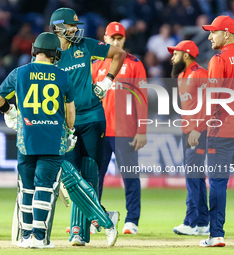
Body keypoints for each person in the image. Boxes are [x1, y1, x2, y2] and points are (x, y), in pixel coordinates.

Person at [49, 8, 126, 246]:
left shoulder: (85, 44)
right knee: (72, 178)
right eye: (70, 26)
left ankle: (77, 233)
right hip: (66, 124)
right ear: (57, 28)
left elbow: (119, 54)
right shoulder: (48, 55)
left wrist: (106, 81)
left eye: (75, 25)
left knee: (89, 175)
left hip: (93, 117)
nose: (74, 30)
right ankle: (104, 215)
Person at [0, 32, 76, 249]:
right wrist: (70, 129)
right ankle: (39, 238)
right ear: (54, 54)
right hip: (52, 141)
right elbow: (70, 113)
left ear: (35, 51)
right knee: (45, 189)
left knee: (27, 188)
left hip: (26, 139)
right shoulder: (63, 76)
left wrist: (10, 111)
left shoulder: (19, 73)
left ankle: (26, 236)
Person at [188, 15, 234, 247]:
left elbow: (213, 98)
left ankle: (217, 235)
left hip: (222, 132)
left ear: (228, 33)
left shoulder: (219, 59)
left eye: (214, 32)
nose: (210, 36)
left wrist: (198, 127)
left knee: (218, 181)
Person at [92, 21, 147, 235]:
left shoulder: (134, 64)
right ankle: (95, 218)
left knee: (130, 177)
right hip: (99, 131)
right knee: (95, 177)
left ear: (124, 40)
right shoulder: (96, 64)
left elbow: (142, 100)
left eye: (119, 38)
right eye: (112, 38)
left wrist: (142, 130)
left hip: (126, 131)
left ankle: (132, 220)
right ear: (105, 39)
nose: (115, 41)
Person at [167, 40, 209, 236]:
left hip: (197, 133)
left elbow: (210, 104)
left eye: (175, 54)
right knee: (197, 178)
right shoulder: (182, 75)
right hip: (189, 132)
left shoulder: (199, 74)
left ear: (186, 54)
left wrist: (198, 130)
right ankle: (202, 223)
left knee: (193, 177)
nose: (172, 58)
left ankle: (190, 222)